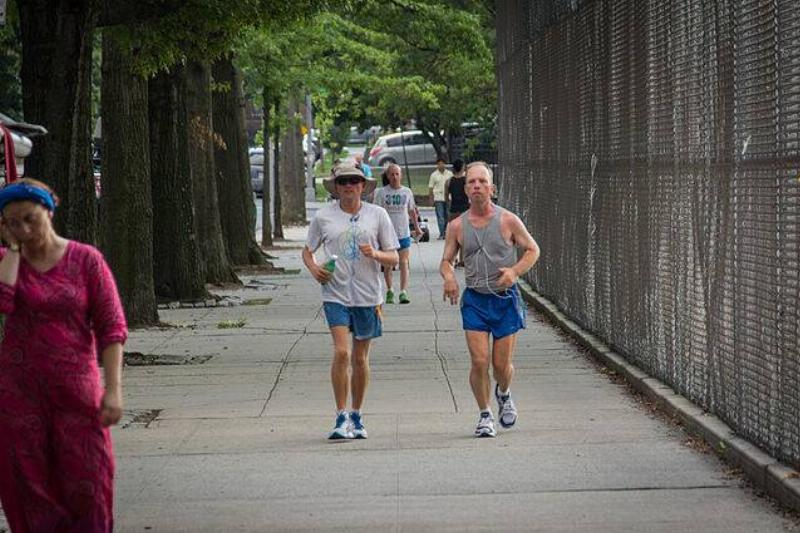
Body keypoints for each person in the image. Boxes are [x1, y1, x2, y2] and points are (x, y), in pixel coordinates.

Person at [0, 178, 128, 531]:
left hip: (77, 394)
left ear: (48, 210)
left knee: (89, 481)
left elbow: (112, 327)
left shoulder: (86, 260)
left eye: (30, 218)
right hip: (18, 398)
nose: (25, 229)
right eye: (13, 223)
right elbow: (2, 303)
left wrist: (113, 389)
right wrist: (12, 251)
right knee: (28, 487)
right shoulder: (6, 262)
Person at [440, 162, 540, 438]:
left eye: (482, 182)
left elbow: (533, 249)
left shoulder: (508, 220)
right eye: (471, 182)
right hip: (475, 299)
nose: (476, 186)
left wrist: (514, 271)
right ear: (465, 188)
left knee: (501, 366)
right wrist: (448, 277)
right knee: (479, 361)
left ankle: (504, 392)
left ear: (492, 188)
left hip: (505, 299)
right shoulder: (457, 226)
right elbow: (446, 261)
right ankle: (485, 415)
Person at [303, 164, 399, 440]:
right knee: (342, 353)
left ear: (362, 185)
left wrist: (377, 255)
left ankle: (357, 415)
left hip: (368, 295)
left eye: (354, 181)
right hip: (335, 293)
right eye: (343, 181)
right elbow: (307, 251)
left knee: (360, 357)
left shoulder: (377, 215)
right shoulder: (323, 217)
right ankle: (340, 414)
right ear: (335, 186)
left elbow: (395, 257)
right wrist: (314, 269)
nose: (348, 186)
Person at [373, 163, 422, 304]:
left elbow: (412, 211)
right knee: (388, 265)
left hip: (403, 232)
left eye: (397, 174)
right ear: (387, 176)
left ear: (401, 175)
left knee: (404, 263)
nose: (394, 177)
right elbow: (376, 212)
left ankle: (403, 292)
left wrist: (417, 227)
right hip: (387, 233)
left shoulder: (407, 192)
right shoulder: (381, 193)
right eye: (392, 174)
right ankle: (389, 290)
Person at [444, 159, 468, 266]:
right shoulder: (466, 181)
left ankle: (453, 258)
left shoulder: (449, 181)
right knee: (464, 235)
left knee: (453, 236)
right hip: (465, 210)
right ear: (463, 167)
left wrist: (449, 207)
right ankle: (463, 259)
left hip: (454, 210)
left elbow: (446, 198)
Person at [428, 157, 453, 239]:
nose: (441, 165)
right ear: (437, 165)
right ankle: (442, 233)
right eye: (439, 164)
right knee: (440, 217)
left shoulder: (449, 174)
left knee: (447, 216)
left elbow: (452, 186)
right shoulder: (434, 175)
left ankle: (447, 232)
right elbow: (431, 188)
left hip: (448, 198)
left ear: (445, 164)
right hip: (438, 198)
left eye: (442, 163)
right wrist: (431, 199)